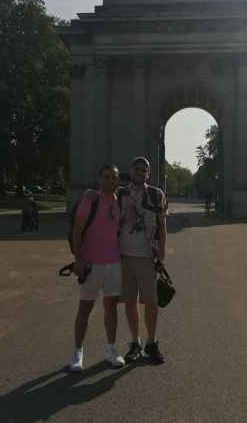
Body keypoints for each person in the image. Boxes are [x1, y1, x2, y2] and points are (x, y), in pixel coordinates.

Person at [69, 164, 125, 372]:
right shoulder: (90, 199)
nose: (110, 180)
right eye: (106, 177)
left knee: (111, 308)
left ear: (118, 181)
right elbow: (77, 229)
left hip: (113, 263)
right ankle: (77, 351)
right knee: (85, 309)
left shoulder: (120, 201)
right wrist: (78, 258)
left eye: (113, 177)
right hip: (91, 263)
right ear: (99, 179)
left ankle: (111, 349)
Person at [118, 157, 168, 364]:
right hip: (123, 256)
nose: (140, 172)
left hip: (148, 256)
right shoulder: (119, 194)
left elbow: (162, 227)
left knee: (151, 303)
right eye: (137, 169)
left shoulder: (156, 195)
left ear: (148, 174)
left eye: (144, 170)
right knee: (129, 302)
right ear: (131, 171)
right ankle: (135, 343)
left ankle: (152, 342)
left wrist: (162, 256)